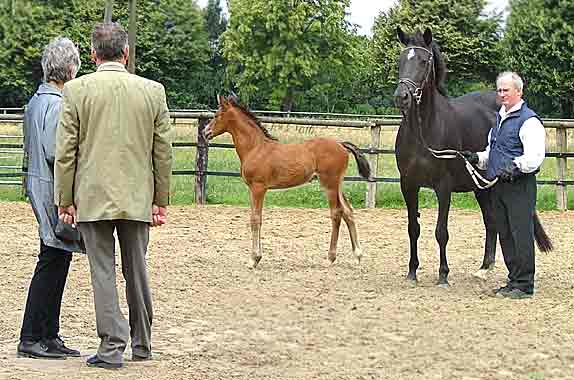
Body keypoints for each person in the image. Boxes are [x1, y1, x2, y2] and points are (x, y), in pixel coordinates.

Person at [54, 22, 172, 369]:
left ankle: (111, 346)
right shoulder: (153, 91)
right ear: (126, 53)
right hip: (138, 197)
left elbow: (66, 152)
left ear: (92, 55)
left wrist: (64, 199)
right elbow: (162, 151)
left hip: (91, 197)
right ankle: (143, 343)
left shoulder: (75, 91)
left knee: (102, 270)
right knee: (137, 269)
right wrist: (159, 200)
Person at [17, 37, 83, 360]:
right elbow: (58, 151)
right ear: (70, 69)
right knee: (51, 261)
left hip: (38, 186)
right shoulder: (57, 105)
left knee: (57, 258)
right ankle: (31, 335)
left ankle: (48, 333)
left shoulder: (36, 101)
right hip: (51, 190)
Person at [462, 71, 546, 299]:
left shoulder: (529, 121)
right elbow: (493, 151)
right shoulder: (499, 119)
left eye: (506, 90)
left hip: (519, 186)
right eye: (499, 90)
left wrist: (517, 166)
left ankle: (525, 284)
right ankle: (513, 280)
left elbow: (536, 155)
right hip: (497, 185)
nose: (502, 94)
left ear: (519, 92)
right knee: (506, 233)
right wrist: (477, 158)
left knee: (521, 233)